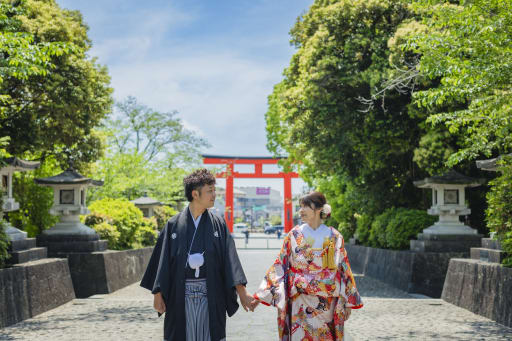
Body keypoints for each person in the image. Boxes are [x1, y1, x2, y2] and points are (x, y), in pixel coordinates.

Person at [140, 168, 256, 341]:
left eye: (214, 190)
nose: (214, 195)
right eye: (210, 191)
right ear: (195, 194)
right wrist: (157, 295)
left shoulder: (218, 224)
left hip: (211, 292)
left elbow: (230, 261)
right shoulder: (173, 224)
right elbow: (161, 261)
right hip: (180, 293)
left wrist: (243, 293)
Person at [251, 191, 363, 340]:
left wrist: (348, 302)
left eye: (305, 206)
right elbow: (280, 265)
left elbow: (343, 268)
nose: (301, 211)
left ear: (318, 209)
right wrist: (261, 295)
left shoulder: (334, 236)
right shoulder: (294, 235)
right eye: (300, 207)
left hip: (326, 301)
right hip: (300, 299)